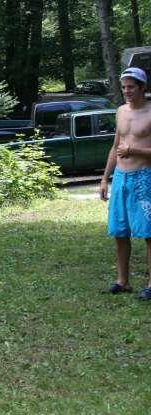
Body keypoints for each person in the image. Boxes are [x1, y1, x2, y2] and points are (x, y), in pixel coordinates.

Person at [100, 67, 151, 299]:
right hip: (121, 177)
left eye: (131, 87)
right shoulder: (120, 111)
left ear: (142, 87)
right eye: (123, 87)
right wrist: (105, 178)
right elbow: (115, 146)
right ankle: (123, 281)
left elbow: (130, 148)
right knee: (120, 231)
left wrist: (134, 150)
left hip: (144, 177)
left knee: (149, 233)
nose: (126, 91)